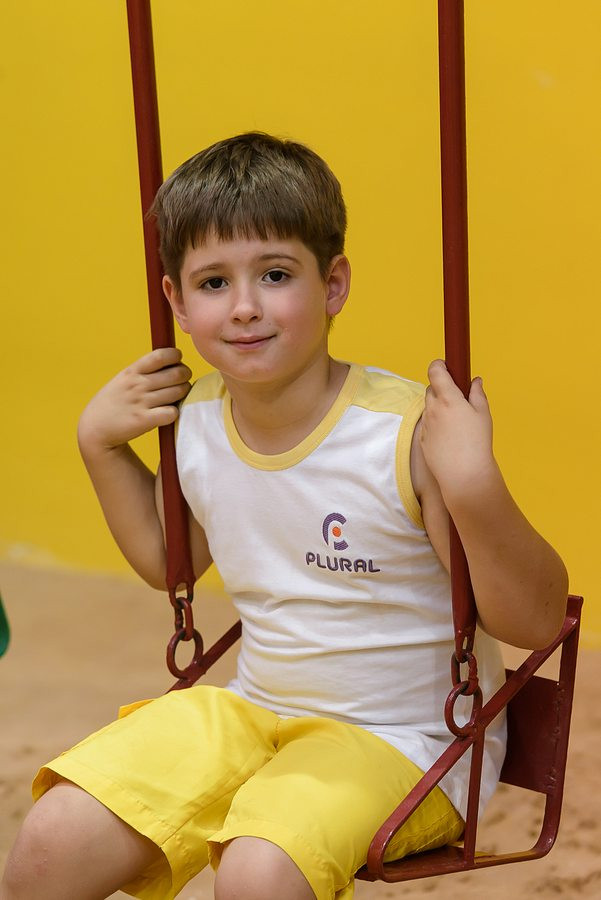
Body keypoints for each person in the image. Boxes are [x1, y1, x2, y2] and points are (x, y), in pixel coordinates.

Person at [1, 132, 568, 900]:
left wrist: (473, 485)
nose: (243, 308)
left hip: (410, 741)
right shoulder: (196, 419)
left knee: (259, 871)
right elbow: (170, 564)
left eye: (274, 275)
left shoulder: (404, 436)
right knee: (53, 838)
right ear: (176, 301)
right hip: (255, 710)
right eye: (212, 282)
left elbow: (534, 620)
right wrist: (99, 445)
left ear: (332, 284)